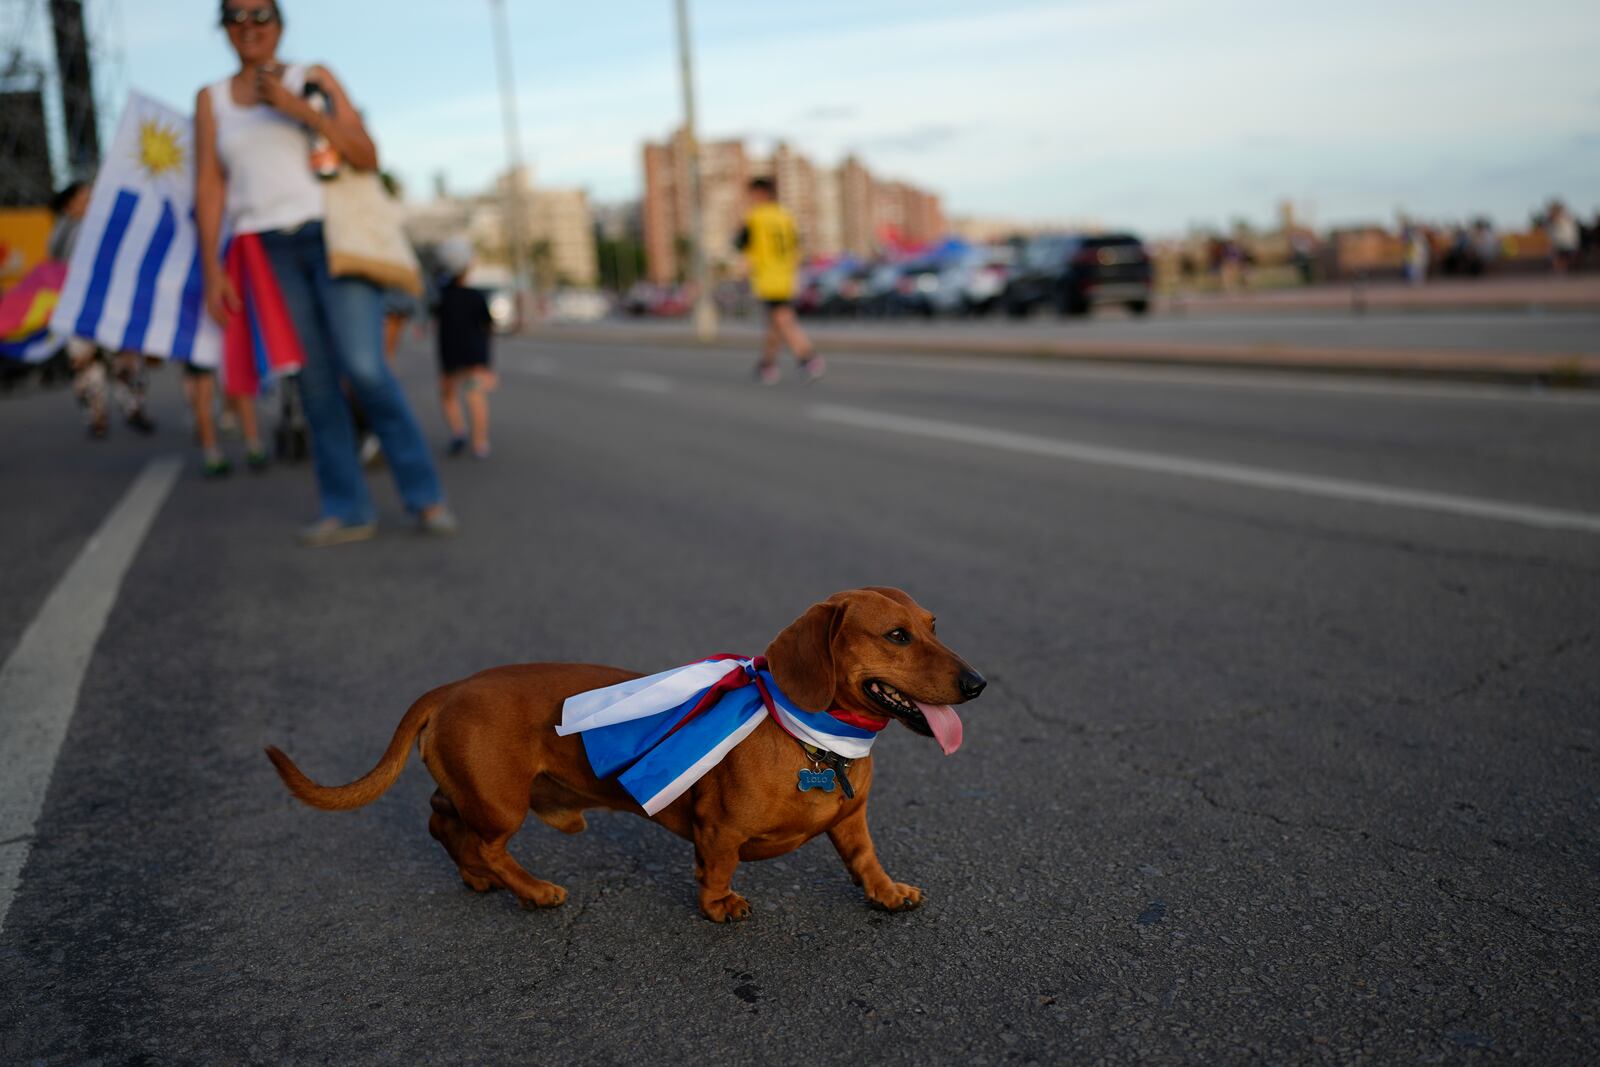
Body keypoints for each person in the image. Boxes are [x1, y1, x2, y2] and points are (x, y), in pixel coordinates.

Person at [194, 0, 455, 546]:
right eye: (235, 17)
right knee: (311, 381)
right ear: (223, 29)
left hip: (331, 240)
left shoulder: (310, 77)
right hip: (265, 250)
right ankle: (347, 506)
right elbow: (210, 187)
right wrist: (211, 270)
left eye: (260, 15)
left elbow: (366, 153)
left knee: (363, 367)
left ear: (280, 25)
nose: (249, 27)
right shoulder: (211, 99)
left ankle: (425, 495)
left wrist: (300, 109)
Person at [48, 182, 158, 439]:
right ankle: (96, 416)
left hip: (109, 305)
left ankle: (133, 408)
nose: (91, 199)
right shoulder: (64, 230)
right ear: (70, 203)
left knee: (126, 359)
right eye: (85, 196)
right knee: (87, 365)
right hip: (78, 308)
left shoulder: (101, 225)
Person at [736, 178, 823, 385]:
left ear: (760, 193)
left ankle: (807, 357)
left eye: (752, 194)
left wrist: (743, 271)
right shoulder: (786, 216)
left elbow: (741, 244)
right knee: (775, 322)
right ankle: (767, 364)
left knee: (783, 320)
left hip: (768, 278)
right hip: (787, 275)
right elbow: (796, 247)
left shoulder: (755, 217)